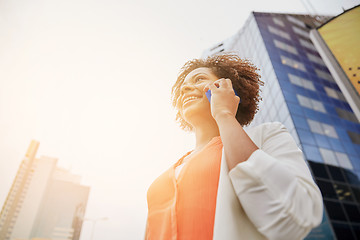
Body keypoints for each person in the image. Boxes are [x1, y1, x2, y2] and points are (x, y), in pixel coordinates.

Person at [145, 53, 323, 240]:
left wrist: (224, 114)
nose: (186, 88)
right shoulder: (166, 176)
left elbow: (298, 215)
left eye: (199, 79)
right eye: (183, 88)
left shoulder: (266, 135)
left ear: (227, 88)